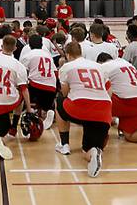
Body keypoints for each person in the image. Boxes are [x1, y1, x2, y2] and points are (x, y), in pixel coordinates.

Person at [54, 42, 112, 178]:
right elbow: (109, 91)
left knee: (59, 101)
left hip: (80, 108)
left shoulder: (66, 67)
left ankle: (65, 144)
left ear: (68, 55)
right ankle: (94, 152)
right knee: (87, 150)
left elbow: (64, 92)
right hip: (103, 110)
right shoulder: (99, 67)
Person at [0, 35, 33, 160]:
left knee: (0, 131)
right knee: (21, 93)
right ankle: (14, 127)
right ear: (15, 48)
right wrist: (29, 108)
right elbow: (24, 90)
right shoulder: (18, 65)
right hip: (10, 101)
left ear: (1, 46)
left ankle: (2, 137)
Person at [19, 34, 57, 129]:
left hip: (35, 87)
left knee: (21, 87)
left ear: (29, 45)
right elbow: (55, 72)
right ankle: (47, 110)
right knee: (46, 105)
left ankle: (28, 109)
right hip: (51, 87)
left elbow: (22, 73)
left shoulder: (27, 55)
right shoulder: (48, 56)